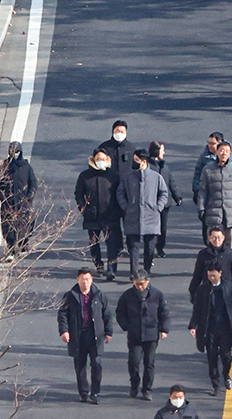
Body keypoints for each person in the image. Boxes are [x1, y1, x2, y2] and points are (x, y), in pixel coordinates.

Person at [57, 267, 113, 405]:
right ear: (78, 280)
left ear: (91, 279)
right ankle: (83, 392)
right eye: (82, 279)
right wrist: (64, 331)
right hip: (78, 336)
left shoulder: (99, 295)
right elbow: (62, 315)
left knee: (97, 364)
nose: (85, 282)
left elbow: (107, 314)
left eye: (87, 279)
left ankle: (95, 392)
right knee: (80, 366)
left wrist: (108, 331)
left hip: (95, 336)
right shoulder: (70, 296)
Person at [189, 261, 232, 396]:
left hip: (226, 328)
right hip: (209, 329)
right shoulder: (203, 289)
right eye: (209, 276)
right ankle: (215, 384)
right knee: (211, 357)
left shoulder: (229, 287)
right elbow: (197, 309)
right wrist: (193, 325)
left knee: (226, 356)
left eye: (214, 276)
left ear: (220, 273)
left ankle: (226, 374)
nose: (212, 279)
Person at [116, 269, 170, 401]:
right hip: (135, 335)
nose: (140, 287)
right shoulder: (127, 296)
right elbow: (120, 313)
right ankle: (134, 384)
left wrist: (164, 329)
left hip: (151, 335)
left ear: (148, 281)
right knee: (133, 362)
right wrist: (126, 326)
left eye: (142, 284)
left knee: (149, 363)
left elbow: (164, 313)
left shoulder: (157, 295)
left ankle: (147, 389)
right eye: (136, 284)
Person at [117, 149, 168, 277]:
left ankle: (146, 271)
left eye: (136, 160)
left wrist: (158, 207)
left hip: (151, 216)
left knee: (150, 247)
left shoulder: (156, 177)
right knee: (133, 247)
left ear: (144, 161)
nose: (133, 163)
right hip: (133, 216)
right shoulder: (128, 177)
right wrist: (126, 207)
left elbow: (164, 193)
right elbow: (120, 192)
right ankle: (134, 272)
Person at [74, 148, 123, 281]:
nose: (100, 161)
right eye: (98, 159)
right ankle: (98, 265)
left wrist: (119, 210)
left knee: (112, 243)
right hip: (92, 216)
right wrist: (83, 209)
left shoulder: (114, 176)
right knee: (94, 243)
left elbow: (120, 194)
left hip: (110, 215)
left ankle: (111, 268)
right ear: (93, 160)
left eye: (103, 159)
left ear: (107, 160)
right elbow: (78, 194)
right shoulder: (85, 176)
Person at [192, 133, 232, 244]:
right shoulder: (208, 169)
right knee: (212, 243)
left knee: (229, 244)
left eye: (227, 151)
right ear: (217, 152)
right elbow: (203, 191)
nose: (224, 153)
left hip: (230, 212)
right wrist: (201, 208)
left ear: (230, 153)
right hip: (213, 211)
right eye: (221, 150)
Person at [0, 141, 37, 261]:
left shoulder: (26, 167)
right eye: (12, 152)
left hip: (23, 203)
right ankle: (11, 250)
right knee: (9, 227)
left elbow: (33, 183)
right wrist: (4, 198)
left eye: (17, 152)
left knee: (25, 225)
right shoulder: (4, 167)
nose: (15, 154)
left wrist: (29, 197)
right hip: (8, 204)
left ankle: (23, 246)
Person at [189, 226, 232, 304]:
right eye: (214, 238)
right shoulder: (203, 254)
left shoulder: (230, 254)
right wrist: (193, 291)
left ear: (223, 238)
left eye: (219, 237)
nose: (217, 240)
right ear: (209, 238)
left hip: (226, 292)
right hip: (208, 293)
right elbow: (197, 274)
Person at [148, 141, 183, 258]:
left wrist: (177, 196)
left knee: (163, 228)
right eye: (162, 149)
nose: (164, 152)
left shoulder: (165, 167)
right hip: (151, 204)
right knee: (152, 230)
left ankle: (160, 247)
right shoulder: (148, 167)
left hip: (164, 204)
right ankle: (150, 250)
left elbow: (171, 183)